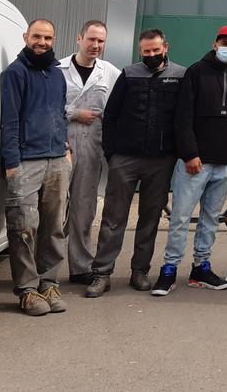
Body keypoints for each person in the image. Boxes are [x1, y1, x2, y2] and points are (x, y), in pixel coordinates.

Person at [151, 25, 227, 296]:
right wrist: (190, 153)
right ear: (215, 43)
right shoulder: (196, 72)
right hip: (195, 162)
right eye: (225, 42)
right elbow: (182, 117)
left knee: (210, 219)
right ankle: (168, 270)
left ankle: (201, 268)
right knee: (181, 217)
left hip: (224, 163)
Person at [86, 28, 183, 297]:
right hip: (125, 159)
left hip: (161, 161)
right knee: (113, 218)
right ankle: (102, 273)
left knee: (150, 218)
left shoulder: (180, 76)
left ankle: (140, 271)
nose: (151, 55)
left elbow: (182, 118)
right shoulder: (129, 75)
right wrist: (112, 154)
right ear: (140, 51)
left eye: (156, 50)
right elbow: (111, 116)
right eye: (146, 51)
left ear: (166, 47)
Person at [1, 18, 71, 316]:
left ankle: (49, 283)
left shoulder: (57, 75)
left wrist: (65, 148)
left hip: (57, 160)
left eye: (48, 38)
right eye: (37, 36)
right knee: (24, 227)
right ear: (25, 37)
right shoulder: (15, 73)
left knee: (54, 226)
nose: (42, 42)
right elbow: (10, 120)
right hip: (26, 162)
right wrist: (11, 161)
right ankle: (28, 290)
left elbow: (60, 114)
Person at [59, 20, 121, 284]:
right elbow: (45, 105)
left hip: (92, 146)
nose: (96, 45)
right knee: (53, 209)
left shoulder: (110, 73)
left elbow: (118, 108)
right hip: (60, 145)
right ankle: (46, 270)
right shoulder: (58, 69)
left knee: (83, 209)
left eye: (101, 41)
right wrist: (74, 113)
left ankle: (81, 267)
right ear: (79, 38)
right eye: (91, 39)